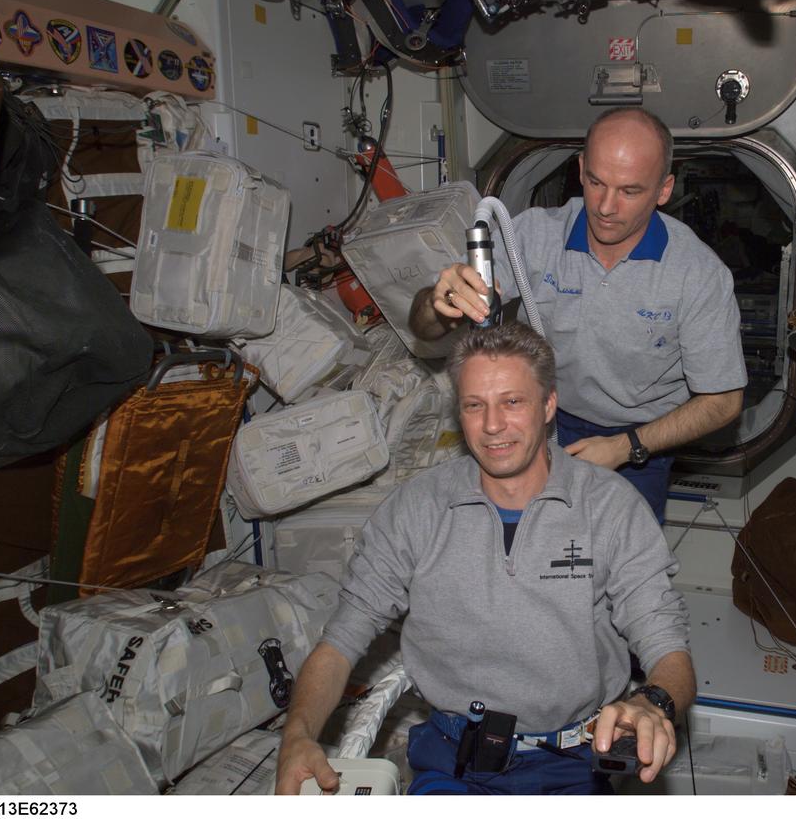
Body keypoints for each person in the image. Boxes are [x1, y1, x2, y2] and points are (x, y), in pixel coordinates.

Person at [275, 322, 695, 795]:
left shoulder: (611, 508)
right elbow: (340, 642)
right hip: (452, 760)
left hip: (574, 763)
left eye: (512, 402)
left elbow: (668, 647)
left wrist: (653, 702)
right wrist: (297, 736)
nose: (492, 425)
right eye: (475, 405)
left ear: (548, 406)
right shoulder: (416, 509)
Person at [409, 107, 746, 523]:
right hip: (548, 419)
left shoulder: (697, 274)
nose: (605, 206)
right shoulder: (534, 235)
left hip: (640, 438)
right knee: (520, 539)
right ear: (582, 169)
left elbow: (723, 401)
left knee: (621, 554)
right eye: (596, 182)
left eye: (630, 191)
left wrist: (625, 447)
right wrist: (437, 303)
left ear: (664, 190)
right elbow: (422, 328)